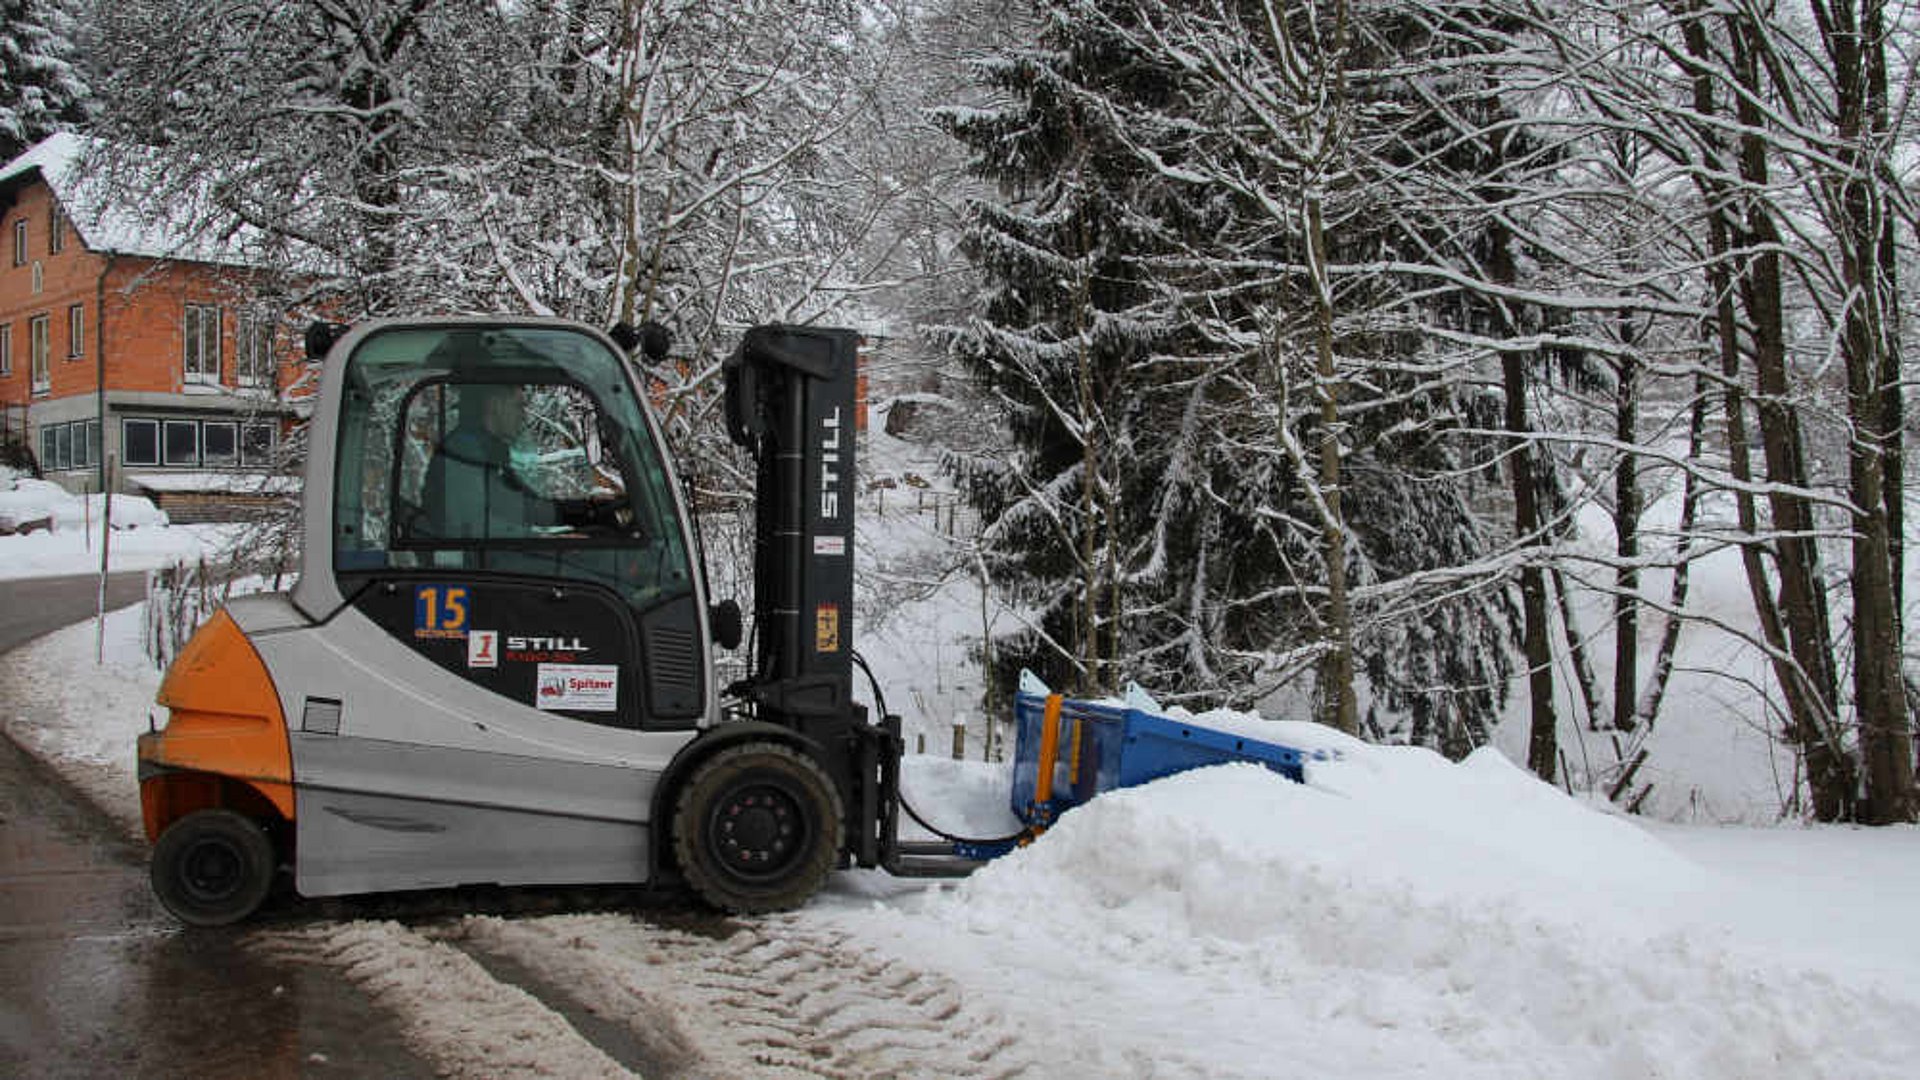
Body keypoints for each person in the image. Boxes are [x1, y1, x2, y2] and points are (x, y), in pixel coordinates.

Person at [419, 383, 558, 541]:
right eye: (518, 406)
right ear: (496, 405)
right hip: (475, 561)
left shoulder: (491, 451)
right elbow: (469, 525)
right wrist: (537, 538)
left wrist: (571, 513)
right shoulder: (464, 450)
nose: (523, 416)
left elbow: (518, 504)